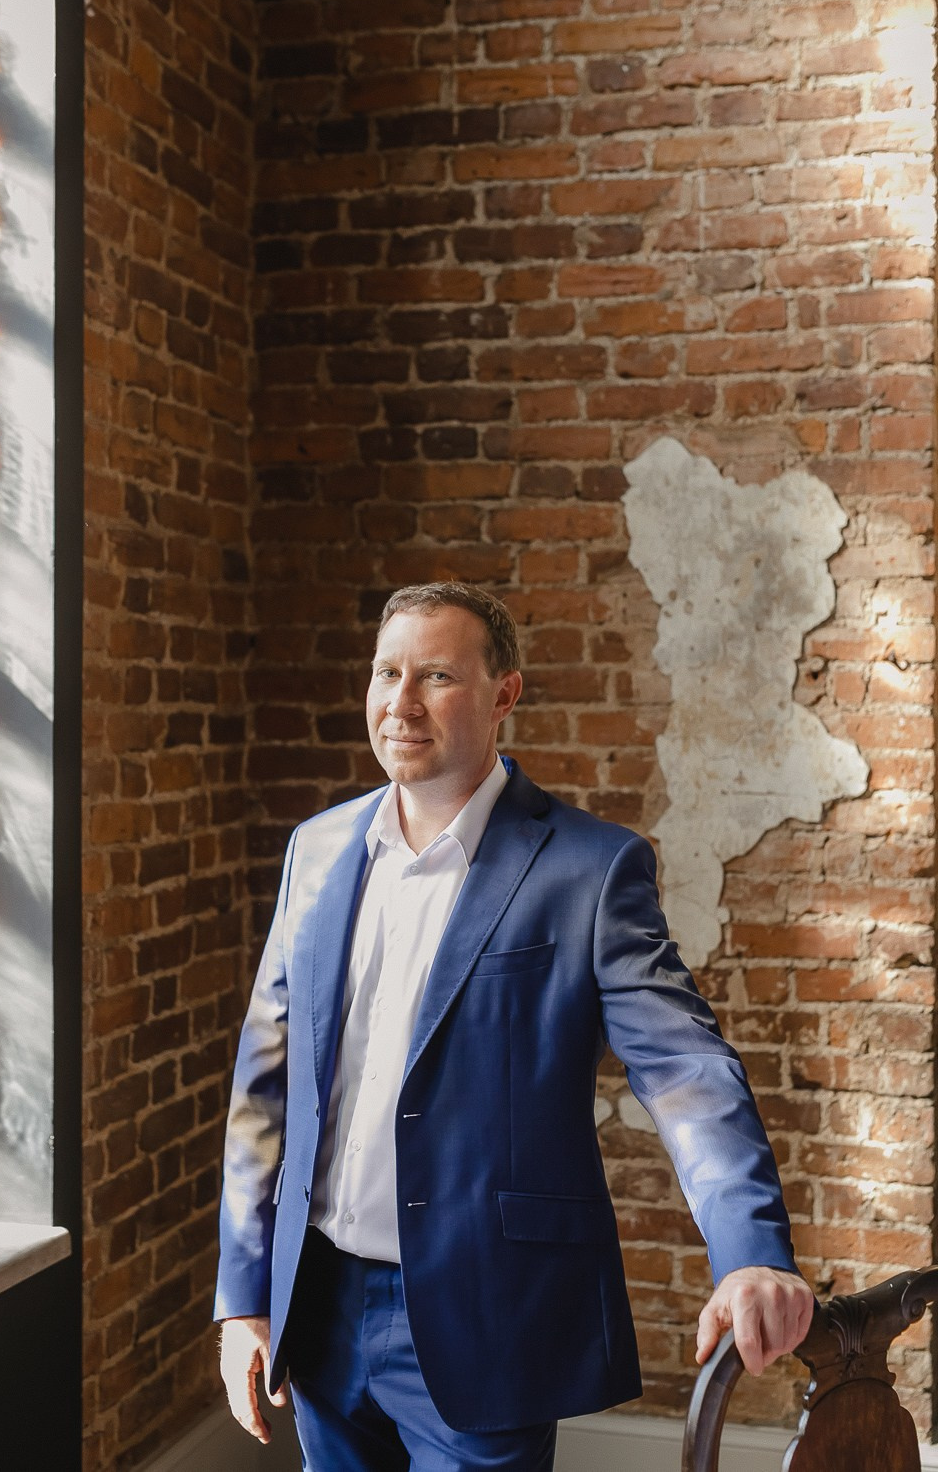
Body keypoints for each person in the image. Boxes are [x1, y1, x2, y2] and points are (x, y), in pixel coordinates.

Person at [215, 582, 814, 1471]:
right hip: (321, 1302)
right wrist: (243, 1296)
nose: (400, 702)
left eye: (436, 676)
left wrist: (751, 1255)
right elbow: (265, 1080)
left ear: (504, 695)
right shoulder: (318, 848)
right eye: (386, 673)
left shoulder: (590, 869)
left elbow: (685, 1069)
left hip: (484, 1312)